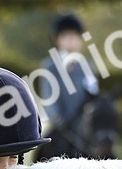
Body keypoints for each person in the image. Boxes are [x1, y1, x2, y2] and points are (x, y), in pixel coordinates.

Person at [36, 12, 99, 160]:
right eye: (66, 37)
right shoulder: (50, 65)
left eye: (75, 37)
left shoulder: (87, 64)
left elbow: (93, 94)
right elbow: (48, 95)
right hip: (57, 120)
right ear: (57, 39)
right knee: (37, 143)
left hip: (82, 121)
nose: (71, 41)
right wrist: (57, 116)